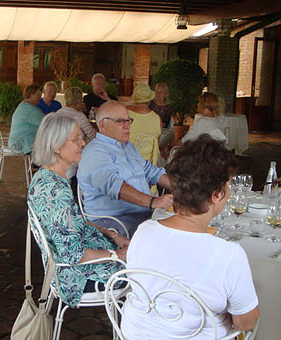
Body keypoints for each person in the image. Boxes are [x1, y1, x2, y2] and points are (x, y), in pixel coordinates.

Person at [121, 135, 259, 340]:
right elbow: (246, 322)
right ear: (217, 194)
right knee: (252, 326)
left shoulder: (144, 230)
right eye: (228, 185)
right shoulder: (228, 254)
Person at [27, 113, 129, 307]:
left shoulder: (50, 178)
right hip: (77, 277)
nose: (83, 143)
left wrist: (112, 236)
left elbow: (74, 224)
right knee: (147, 272)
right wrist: (117, 255)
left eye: (82, 137)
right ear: (57, 147)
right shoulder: (54, 191)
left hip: (83, 263)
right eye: (76, 139)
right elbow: (73, 254)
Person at [77, 101, 172, 236]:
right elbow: (114, 186)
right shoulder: (96, 151)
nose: (127, 126)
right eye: (120, 121)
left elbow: (150, 171)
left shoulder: (128, 147)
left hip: (142, 214)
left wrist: (181, 189)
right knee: (169, 237)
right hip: (114, 222)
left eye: (128, 120)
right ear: (103, 125)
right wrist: (152, 201)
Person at [127, 83, 161, 163]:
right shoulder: (157, 119)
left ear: (135, 100)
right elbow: (156, 146)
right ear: (149, 100)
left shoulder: (125, 116)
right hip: (149, 169)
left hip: (128, 166)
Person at [9, 84, 45, 154]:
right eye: (38, 94)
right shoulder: (29, 109)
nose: (40, 97)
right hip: (21, 144)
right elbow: (46, 122)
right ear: (31, 94)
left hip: (16, 141)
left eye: (40, 95)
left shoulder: (24, 105)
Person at [148, 83, 174, 151]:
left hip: (162, 134)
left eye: (161, 92)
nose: (158, 94)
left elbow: (170, 126)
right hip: (149, 131)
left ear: (166, 94)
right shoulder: (150, 104)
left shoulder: (169, 108)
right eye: (157, 91)